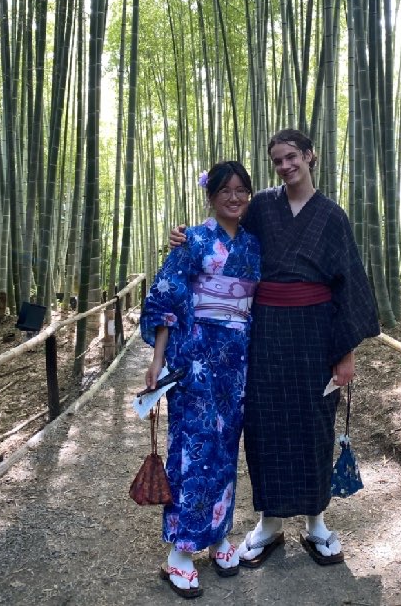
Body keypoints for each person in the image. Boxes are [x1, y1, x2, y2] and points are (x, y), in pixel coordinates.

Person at [168, 129, 380, 570]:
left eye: (291, 157)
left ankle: (316, 520)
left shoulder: (333, 217)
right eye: (277, 161)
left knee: (313, 422)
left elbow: (349, 285)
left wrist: (346, 351)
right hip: (264, 331)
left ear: (309, 156)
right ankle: (268, 522)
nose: (285, 166)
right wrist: (185, 238)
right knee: (265, 423)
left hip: (316, 334)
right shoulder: (262, 205)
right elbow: (224, 238)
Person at [140, 160, 261, 599]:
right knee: (192, 450)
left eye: (241, 190)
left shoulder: (253, 245)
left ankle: (218, 535)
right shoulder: (191, 241)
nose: (234, 198)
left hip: (236, 362)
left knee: (227, 448)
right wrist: (157, 360)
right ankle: (180, 553)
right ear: (210, 196)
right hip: (194, 358)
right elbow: (166, 300)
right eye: (226, 191)